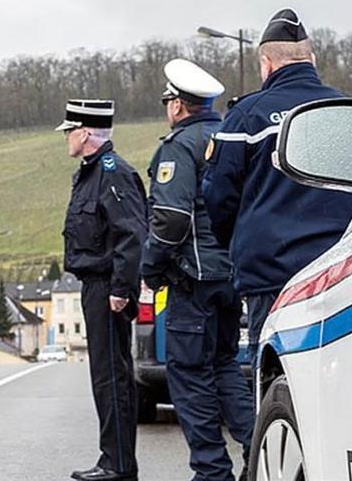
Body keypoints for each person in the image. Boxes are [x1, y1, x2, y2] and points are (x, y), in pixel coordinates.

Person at [202, 9, 352, 436]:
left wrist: (237, 243)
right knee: (340, 380)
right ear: (311, 60)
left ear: (266, 64)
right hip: (340, 271)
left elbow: (218, 199)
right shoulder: (346, 111)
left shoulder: (245, 116)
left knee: (275, 386)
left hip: (270, 276)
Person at [140, 59, 254, 481]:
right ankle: (258, 455)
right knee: (225, 367)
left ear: (177, 105)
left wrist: (151, 269)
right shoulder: (228, 137)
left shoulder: (179, 146)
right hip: (231, 273)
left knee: (189, 377)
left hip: (192, 277)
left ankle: (211, 472)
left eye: (168, 100)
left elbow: (170, 218)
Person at [56, 99, 147, 481]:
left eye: (70, 131)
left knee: (112, 378)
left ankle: (118, 464)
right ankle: (113, 458)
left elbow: (131, 234)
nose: (66, 138)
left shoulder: (112, 173)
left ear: (86, 133)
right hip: (95, 286)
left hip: (108, 288)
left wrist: (121, 289)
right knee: (105, 376)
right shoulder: (90, 173)